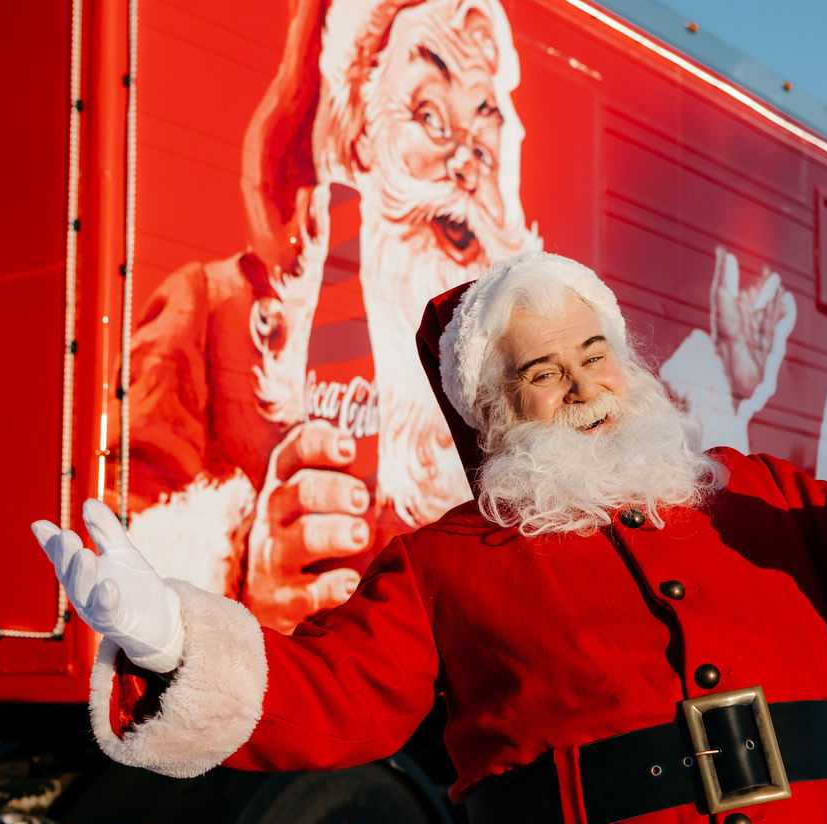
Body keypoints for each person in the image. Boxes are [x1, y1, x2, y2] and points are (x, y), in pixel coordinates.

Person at [36, 251, 827, 824]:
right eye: (542, 371)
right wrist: (171, 639)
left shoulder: (747, 492)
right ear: (492, 410)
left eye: (594, 351)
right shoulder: (447, 562)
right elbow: (330, 697)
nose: (583, 385)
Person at [116, 0, 540, 629]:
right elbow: (125, 577)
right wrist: (245, 597)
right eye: (429, 116)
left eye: (483, 132)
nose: (463, 163)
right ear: (360, 134)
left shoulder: (521, 373)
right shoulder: (211, 313)